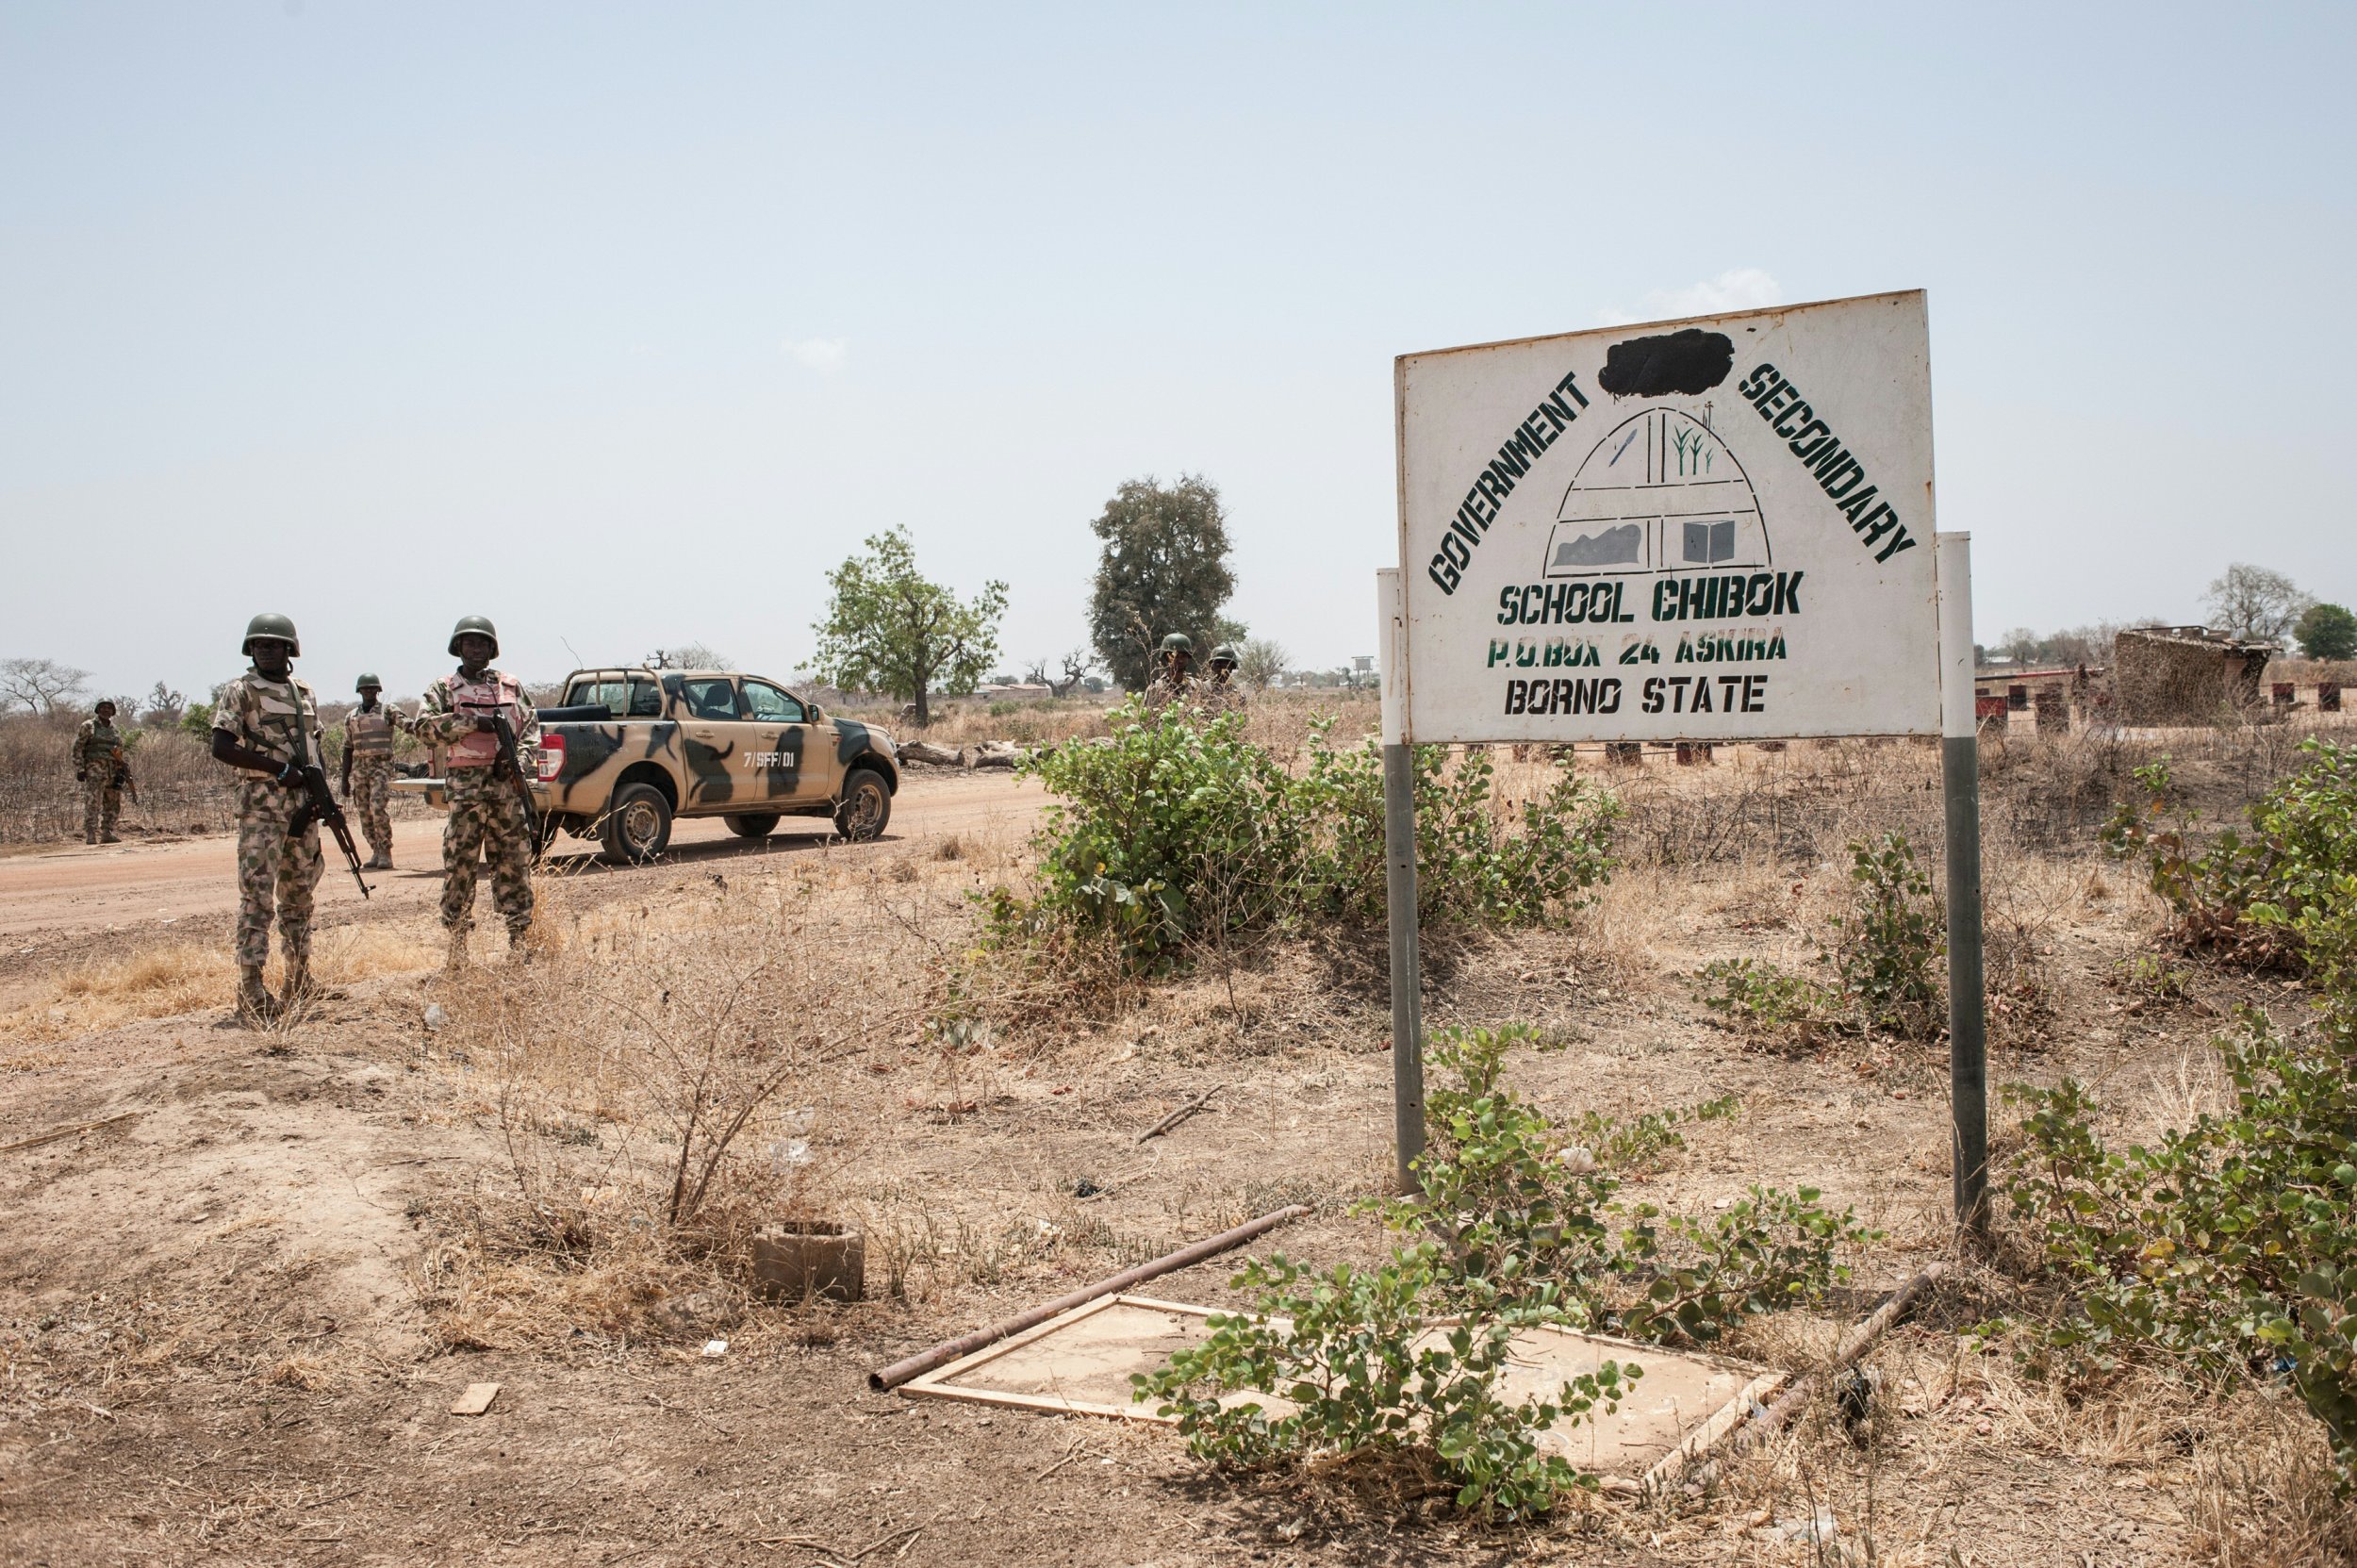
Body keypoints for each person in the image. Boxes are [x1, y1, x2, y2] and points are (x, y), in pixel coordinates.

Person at [208, 614, 327, 1022]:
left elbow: (315, 748)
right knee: (257, 899)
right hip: (262, 805)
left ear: (289, 650)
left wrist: (322, 797)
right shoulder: (240, 691)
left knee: (300, 896)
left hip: (302, 807)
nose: (266, 650)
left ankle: (300, 978)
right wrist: (277, 770)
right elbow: (221, 746)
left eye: (275, 645)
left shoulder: (304, 692)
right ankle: (252, 989)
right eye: (259, 645)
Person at [412, 616, 539, 966]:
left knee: (514, 863)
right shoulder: (443, 688)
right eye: (469, 643)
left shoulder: (510, 686)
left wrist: (518, 761)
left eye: (482, 643)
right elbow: (422, 728)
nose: (476, 649)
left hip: (506, 791)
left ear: (492, 649)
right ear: (458, 647)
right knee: (460, 868)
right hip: (466, 793)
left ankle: (519, 941)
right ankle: (457, 948)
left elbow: (531, 730)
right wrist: (472, 723)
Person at [339, 673, 404, 871]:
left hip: (381, 768)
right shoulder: (351, 717)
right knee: (364, 812)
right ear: (359, 691)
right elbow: (347, 749)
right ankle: (375, 850)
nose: (369, 691)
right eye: (365, 688)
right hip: (360, 771)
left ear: (378, 690)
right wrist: (344, 779)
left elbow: (407, 724)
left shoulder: (388, 711)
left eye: (372, 688)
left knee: (377, 808)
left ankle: (386, 851)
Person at [72, 700, 127, 844]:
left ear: (113, 711)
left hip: (112, 771)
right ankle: (91, 834)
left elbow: (119, 750)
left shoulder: (115, 729)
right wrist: (80, 768)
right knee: (93, 802)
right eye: (103, 707)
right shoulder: (88, 726)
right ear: (98, 709)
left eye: (109, 708)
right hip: (95, 770)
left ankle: (107, 832)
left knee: (113, 803)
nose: (106, 710)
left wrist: (122, 768)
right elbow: (78, 748)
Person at [1144, 633, 1196, 710]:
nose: (1180, 660)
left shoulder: (1197, 686)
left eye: (1184, 656)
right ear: (1166, 658)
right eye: (1175, 656)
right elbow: (1148, 719)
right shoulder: (1155, 689)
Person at [1203, 642, 1247, 713]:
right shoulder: (1201, 689)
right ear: (1212, 666)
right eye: (1218, 663)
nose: (1222, 668)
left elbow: (1242, 720)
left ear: (1232, 668)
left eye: (1226, 664)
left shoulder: (1238, 695)